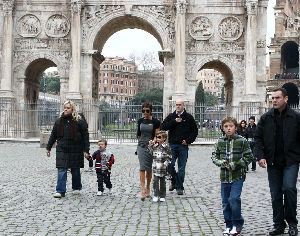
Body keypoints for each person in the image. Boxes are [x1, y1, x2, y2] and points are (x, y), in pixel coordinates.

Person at [254, 87, 300, 236]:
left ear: (285, 99)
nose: (274, 100)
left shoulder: (296, 117)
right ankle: (279, 225)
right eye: (272, 98)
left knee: (289, 189)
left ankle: (292, 223)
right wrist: (260, 156)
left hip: (291, 161)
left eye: (277, 98)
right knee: (275, 194)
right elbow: (258, 138)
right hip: (273, 162)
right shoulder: (265, 117)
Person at [211, 117, 253, 236]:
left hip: (237, 176)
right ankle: (228, 225)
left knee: (233, 199)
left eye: (231, 126)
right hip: (224, 177)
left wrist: (236, 164)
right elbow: (214, 156)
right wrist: (221, 163)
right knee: (225, 202)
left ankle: (237, 223)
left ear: (235, 127)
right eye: (226, 126)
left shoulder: (242, 141)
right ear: (223, 128)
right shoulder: (220, 141)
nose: (228, 128)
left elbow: (249, 157)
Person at [46, 100, 90, 198]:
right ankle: (60, 191)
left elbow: (85, 136)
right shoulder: (59, 121)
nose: (65, 109)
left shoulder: (80, 121)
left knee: (75, 169)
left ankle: (76, 187)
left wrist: (86, 150)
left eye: (68, 108)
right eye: (65, 107)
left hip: (76, 148)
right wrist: (48, 148)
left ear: (72, 109)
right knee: (61, 169)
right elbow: (53, 135)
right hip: (62, 149)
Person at [161, 99, 198, 195]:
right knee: (169, 164)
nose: (177, 106)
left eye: (179, 105)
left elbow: (194, 131)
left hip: (183, 146)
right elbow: (163, 126)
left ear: (183, 105)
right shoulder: (171, 116)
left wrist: (188, 140)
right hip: (172, 145)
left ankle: (179, 187)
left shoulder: (189, 117)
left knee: (181, 168)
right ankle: (174, 181)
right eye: (176, 105)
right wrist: (174, 121)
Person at [136, 102, 161, 200]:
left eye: (147, 111)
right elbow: (138, 134)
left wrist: (153, 141)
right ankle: (142, 189)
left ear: (151, 111)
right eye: (143, 111)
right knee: (142, 167)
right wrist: (140, 142)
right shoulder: (140, 121)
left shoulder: (156, 122)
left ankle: (148, 187)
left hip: (151, 147)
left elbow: (157, 135)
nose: (145, 113)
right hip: (141, 146)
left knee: (149, 168)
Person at [148, 131, 172, 203]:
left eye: (159, 137)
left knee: (162, 182)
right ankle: (155, 195)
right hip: (155, 168)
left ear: (164, 138)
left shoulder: (166, 147)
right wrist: (150, 145)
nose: (157, 139)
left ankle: (162, 195)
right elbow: (150, 153)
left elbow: (170, 157)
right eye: (156, 137)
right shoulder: (155, 146)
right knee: (155, 182)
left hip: (163, 168)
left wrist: (165, 164)